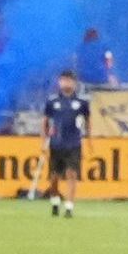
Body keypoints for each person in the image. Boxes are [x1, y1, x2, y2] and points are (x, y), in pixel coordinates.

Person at [38, 65, 88, 216]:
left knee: (72, 174)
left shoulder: (81, 103)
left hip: (74, 143)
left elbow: (88, 121)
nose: (67, 83)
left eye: (70, 81)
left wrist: (89, 139)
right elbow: (45, 121)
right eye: (64, 80)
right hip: (56, 143)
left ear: (75, 83)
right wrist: (44, 138)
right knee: (54, 176)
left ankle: (69, 206)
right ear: (59, 82)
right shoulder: (52, 102)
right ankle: (55, 202)